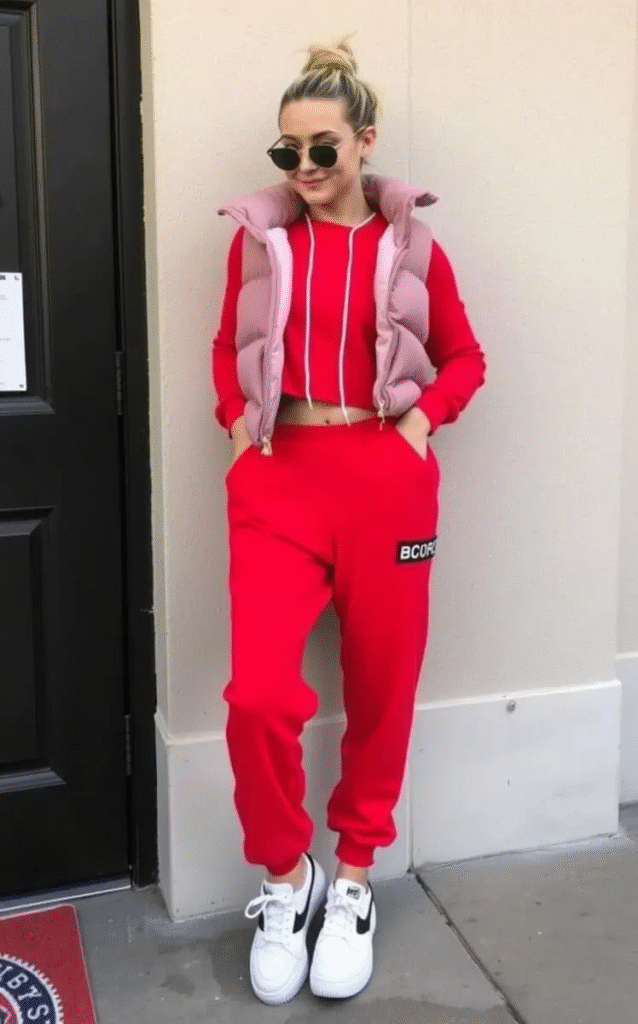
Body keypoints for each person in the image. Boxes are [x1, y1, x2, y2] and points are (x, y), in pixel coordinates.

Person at [211, 34, 486, 1006]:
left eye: (321, 147)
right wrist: (238, 429)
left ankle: (355, 878)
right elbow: (227, 346)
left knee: (382, 687)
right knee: (256, 696)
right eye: (286, 150)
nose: (303, 166)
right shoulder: (260, 241)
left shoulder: (413, 246)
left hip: (384, 481)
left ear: (365, 141)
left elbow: (464, 357)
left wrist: (418, 422)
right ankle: (290, 879)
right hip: (279, 477)